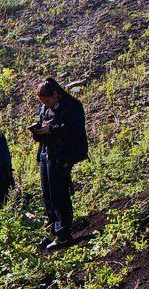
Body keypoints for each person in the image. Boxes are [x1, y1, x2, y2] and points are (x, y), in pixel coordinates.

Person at [30, 77, 89, 250]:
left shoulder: (72, 106)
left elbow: (74, 130)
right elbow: (45, 128)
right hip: (46, 152)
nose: (46, 105)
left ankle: (64, 234)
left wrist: (52, 129)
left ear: (56, 94)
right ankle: (53, 231)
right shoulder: (45, 108)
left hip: (63, 154)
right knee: (47, 195)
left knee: (59, 194)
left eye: (48, 101)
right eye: (43, 103)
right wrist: (38, 131)